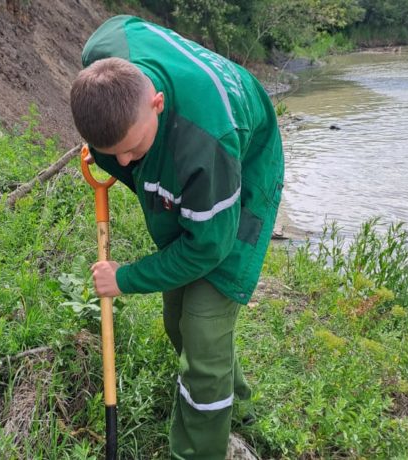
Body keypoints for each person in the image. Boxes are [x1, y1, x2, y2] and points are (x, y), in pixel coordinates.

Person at [70, 15, 284, 459]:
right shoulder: (104, 60)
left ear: (157, 103)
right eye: (115, 154)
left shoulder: (207, 143)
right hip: (184, 142)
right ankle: (238, 400)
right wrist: (113, 150)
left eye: (133, 148)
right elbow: (125, 24)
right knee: (177, 320)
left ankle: (201, 448)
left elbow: (207, 246)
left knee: (203, 334)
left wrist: (124, 278)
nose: (126, 162)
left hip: (243, 167)